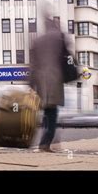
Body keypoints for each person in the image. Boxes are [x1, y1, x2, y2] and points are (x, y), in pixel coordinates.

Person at [30, 16, 68, 152]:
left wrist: (30, 83)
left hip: (41, 81)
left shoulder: (37, 41)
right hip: (54, 78)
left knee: (47, 111)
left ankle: (49, 140)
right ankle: (46, 142)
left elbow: (33, 65)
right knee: (52, 113)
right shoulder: (59, 37)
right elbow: (66, 57)